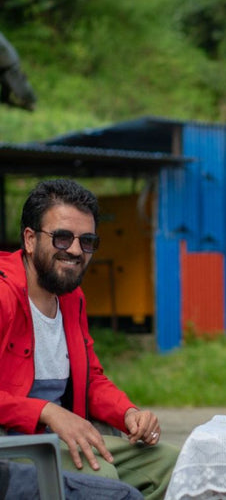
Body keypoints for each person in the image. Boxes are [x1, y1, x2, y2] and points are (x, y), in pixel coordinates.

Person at [0, 179, 179, 499]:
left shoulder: (72, 298)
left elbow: (91, 380)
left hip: (59, 438)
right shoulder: (3, 295)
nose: (74, 250)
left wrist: (128, 413)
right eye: (62, 237)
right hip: (12, 446)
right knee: (105, 477)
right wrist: (47, 411)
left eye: (87, 241)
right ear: (29, 239)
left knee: (170, 464)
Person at [1, 459, 143, 500]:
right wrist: (43, 411)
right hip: (22, 441)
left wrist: (127, 412)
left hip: (70, 430)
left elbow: (91, 387)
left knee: (162, 458)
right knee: (121, 493)